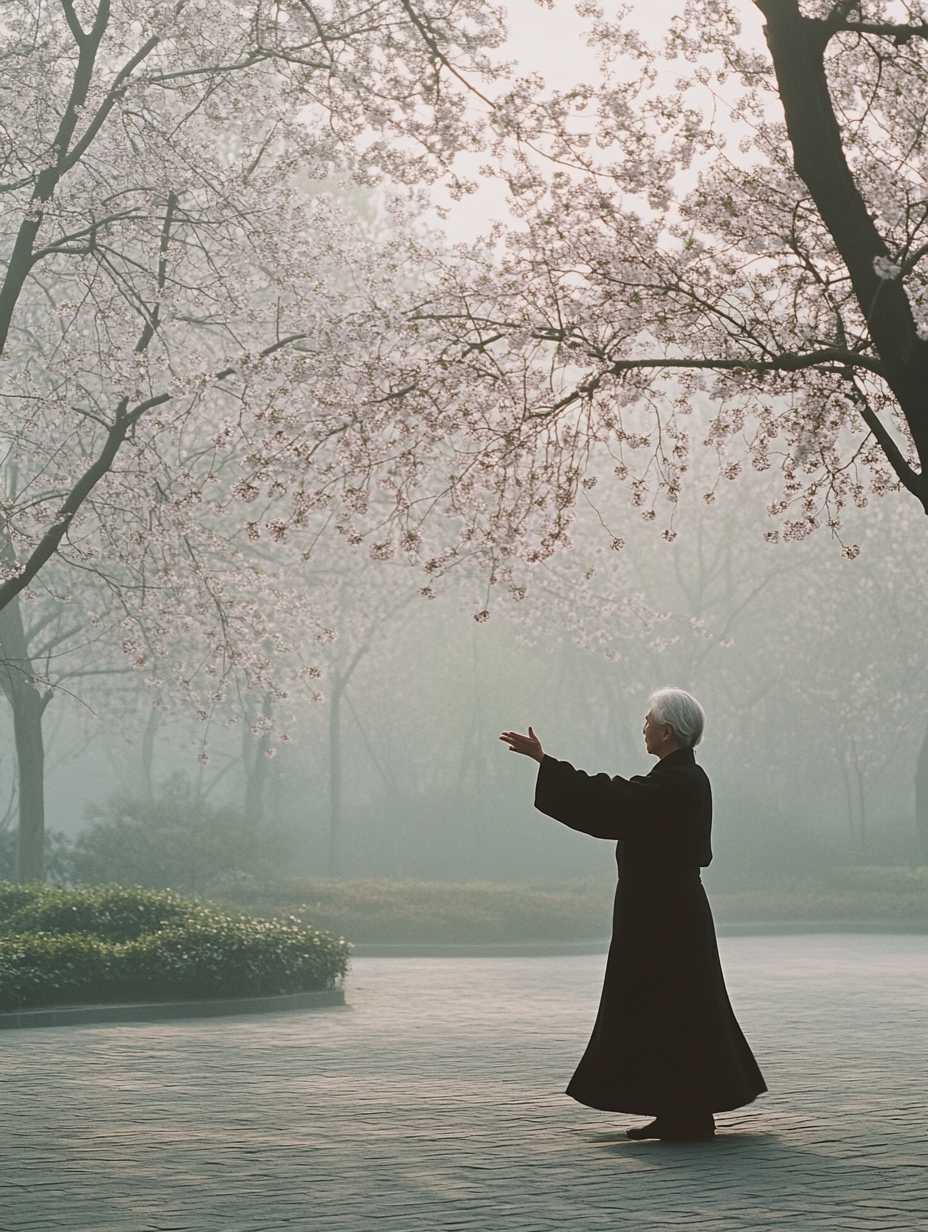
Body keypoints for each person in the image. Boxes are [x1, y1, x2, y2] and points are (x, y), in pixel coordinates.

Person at [499, 687, 766, 1142]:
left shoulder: (678, 781)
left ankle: (688, 1115)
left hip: (666, 915)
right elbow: (620, 801)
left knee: (675, 1008)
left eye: (648, 720)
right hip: (663, 911)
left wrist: (547, 765)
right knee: (670, 1008)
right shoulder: (677, 779)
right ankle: (680, 1112)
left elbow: (614, 798)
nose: (642, 726)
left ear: (667, 730)